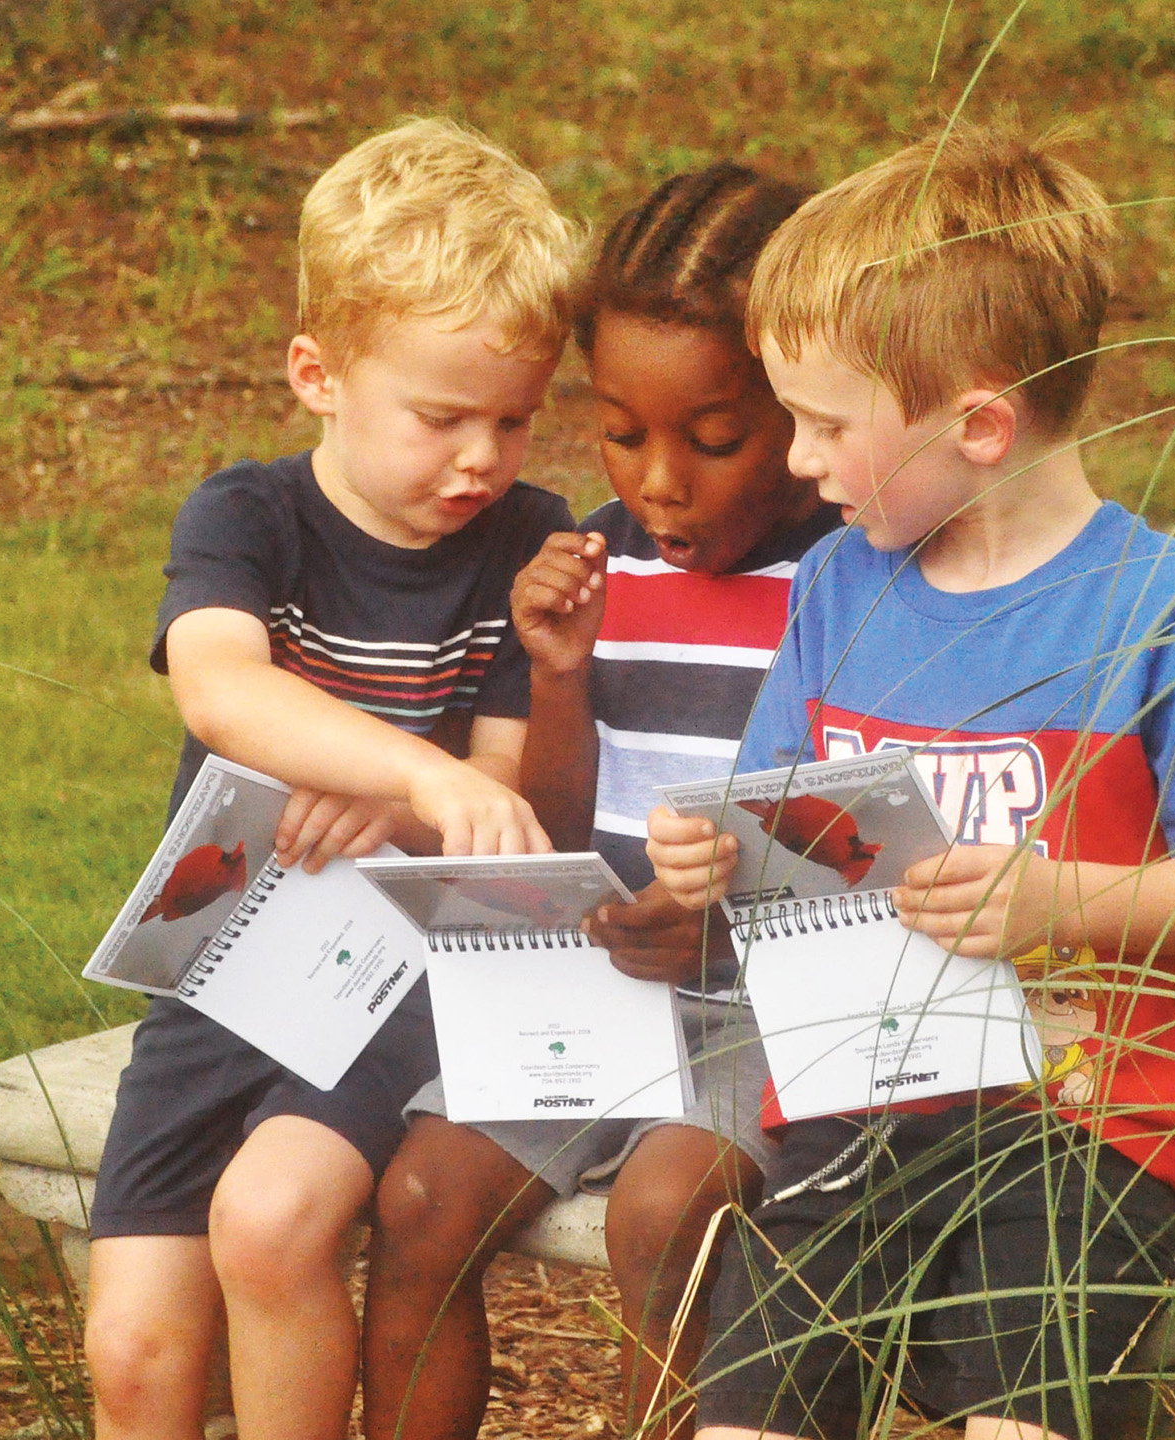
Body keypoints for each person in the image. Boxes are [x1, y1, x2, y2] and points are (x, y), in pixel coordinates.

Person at [645, 125, 1175, 1440]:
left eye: (829, 424)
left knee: (1020, 1420)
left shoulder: (1171, 611)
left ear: (983, 424)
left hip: (1097, 1115)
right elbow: (772, 808)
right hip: (864, 1092)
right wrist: (706, 852)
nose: (797, 459)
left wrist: (1056, 899)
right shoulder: (842, 587)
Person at [83, 117, 580, 1440]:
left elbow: (496, 777)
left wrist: (421, 791)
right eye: (440, 416)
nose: (481, 455)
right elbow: (221, 691)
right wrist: (410, 769)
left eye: (514, 419)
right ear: (318, 373)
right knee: (135, 1349)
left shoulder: (527, 540)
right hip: (225, 958)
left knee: (269, 1223)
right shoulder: (247, 519)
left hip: (390, 972)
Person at [363, 164, 839, 1440]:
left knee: (666, 1214)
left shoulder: (850, 581)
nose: (659, 481)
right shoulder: (600, 559)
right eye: (622, 433)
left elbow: (867, 846)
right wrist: (561, 677)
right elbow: (562, 825)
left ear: (804, 405)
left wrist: (725, 932)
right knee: (417, 1207)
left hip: (766, 1006)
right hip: (596, 984)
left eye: (714, 438)